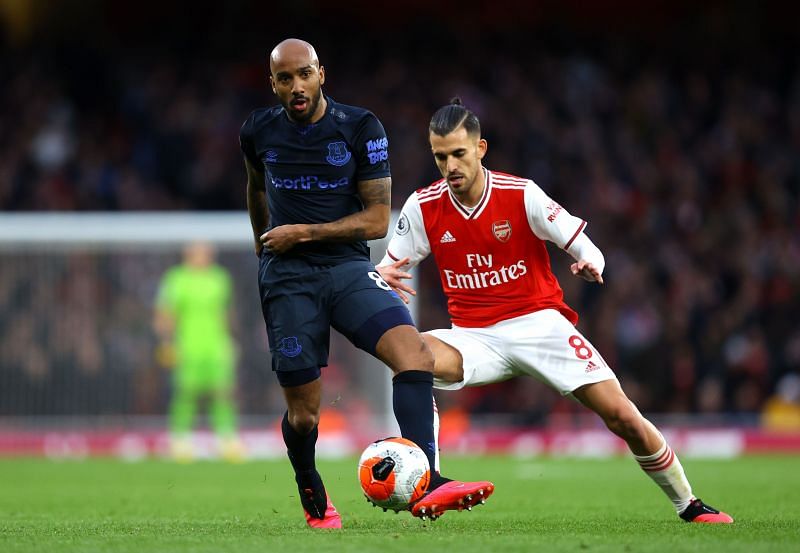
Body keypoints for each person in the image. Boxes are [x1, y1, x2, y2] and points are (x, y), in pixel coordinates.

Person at [377, 98, 733, 524]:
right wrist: (383, 277)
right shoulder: (423, 207)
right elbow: (387, 268)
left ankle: (688, 503)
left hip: (539, 326)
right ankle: (430, 481)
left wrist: (591, 262)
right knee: (410, 357)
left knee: (622, 416)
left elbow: (583, 243)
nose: (450, 166)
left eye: (459, 154)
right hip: (472, 335)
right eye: (440, 156)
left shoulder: (520, 194)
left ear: (481, 149)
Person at [239, 39, 492, 529]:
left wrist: (304, 233)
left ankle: (429, 481)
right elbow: (255, 186)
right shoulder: (257, 131)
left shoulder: (359, 128)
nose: (296, 86)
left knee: (413, 354)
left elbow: (378, 220)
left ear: (321, 74)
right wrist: (262, 244)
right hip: (288, 278)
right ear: (272, 84)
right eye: (285, 79)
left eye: (304, 74)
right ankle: (310, 486)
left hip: (348, 270)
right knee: (306, 416)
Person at [154, 241, 244, 463]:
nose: (203, 256)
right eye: (199, 252)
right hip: (187, 346)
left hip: (216, 346)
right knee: (186, 393)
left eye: (207, 252)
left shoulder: (220, 278)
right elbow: (165, 314)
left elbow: (226, 312)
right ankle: (180, 439)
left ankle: (226, 439)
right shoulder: (176, 279)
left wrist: (231, 341)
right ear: (188, 254)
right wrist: (166, 342)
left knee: (223, 393)